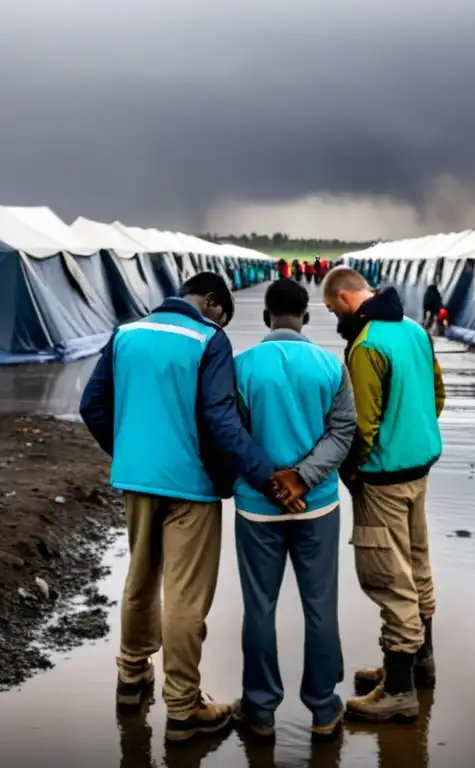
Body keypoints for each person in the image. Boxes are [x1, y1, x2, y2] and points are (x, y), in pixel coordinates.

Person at [79, 272, 298, 745]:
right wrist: (265, 475)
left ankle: (130, 678)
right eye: (224, 314)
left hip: (137, 481)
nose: (222, 321)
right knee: (184, 597)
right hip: (190, 486)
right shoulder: (207, 339)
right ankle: (183, 708)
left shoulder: (126, 334)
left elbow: (92, 406)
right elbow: (220, 420)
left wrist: (128, 452)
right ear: (213, 302)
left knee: (140, 578)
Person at [231, 278, 357, 742]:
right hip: (317, 508)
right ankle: (323, 709)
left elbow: (233, 437)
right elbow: (343, 432)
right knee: (320, 607)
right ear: (306, 317)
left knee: (259, 608)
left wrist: (270, 481)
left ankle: (261, 711)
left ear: (266, 317)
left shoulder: (241, 367)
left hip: (257, 508)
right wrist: (301, 479)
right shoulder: (329, 365)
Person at [321, 267, 445, 724]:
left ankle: (398, 689)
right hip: (419, 468)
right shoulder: (414, 329)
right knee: (417, 563)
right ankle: (419, 663)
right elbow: (437, 392)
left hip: (383, 479)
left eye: (334, 310)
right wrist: (416, 432)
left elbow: (361, 424)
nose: (335, 317)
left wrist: (349, 471)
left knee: (387, 577)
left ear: (346, 299)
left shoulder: (366, 343)